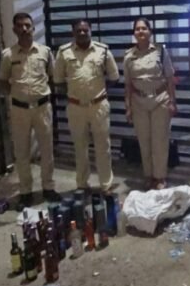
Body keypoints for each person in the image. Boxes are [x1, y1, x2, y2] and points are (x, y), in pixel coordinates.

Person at [0, 13, 60, 206]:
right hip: (20, 110)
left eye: (27, 25)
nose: (24, 29)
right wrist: (17, 95)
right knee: (22, 152)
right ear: (14, 30)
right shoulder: (8, 55)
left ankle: (48, 187)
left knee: (47, 149)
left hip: (42, 107)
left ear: (33, 28)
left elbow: (53, 77)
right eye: (20, 26)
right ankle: (25, 191)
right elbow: (2, 80)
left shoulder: (45, 52)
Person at [54, 19, 120, 192]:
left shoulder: (103, 51)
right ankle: (82, 184)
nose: (82, 33)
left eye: (85, 30)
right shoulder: (63, 52)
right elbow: (58, 81)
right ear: (73, 33)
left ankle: (106, 184)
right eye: (79, 30)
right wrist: (75, 94)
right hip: (75, 107)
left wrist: (98, 92)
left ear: (91, 30)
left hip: (98, 106)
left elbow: (114, 77)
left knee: (103, 147)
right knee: (79, 148)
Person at [123, 18, 177, 190]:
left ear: (150, 32)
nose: (141, 31)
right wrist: (128, 107)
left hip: (160, 99)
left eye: (144, 28)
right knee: (144, 141)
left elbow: (170, 78)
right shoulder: (128, 56)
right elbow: (128, 84)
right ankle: (148, 175)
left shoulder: (161, 51)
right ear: (134, 33)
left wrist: (172, 101)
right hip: (138, 102)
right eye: (137, 29)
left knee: (160, 141)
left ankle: (160, 177)